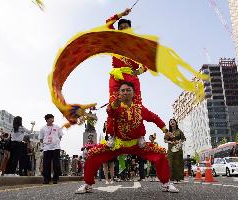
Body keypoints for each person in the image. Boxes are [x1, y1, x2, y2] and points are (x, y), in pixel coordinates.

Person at [75, 81, 178, 193]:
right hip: (117, 144)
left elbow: (154, 118)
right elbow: (110, 111)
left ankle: (166, 183)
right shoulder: (116, 106)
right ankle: (88, 184)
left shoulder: (140, 109)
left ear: (133, 93)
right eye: (122, 90)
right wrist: (116, 102)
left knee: (161, 153)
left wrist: (165, 131)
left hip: (137, 144)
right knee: (92, 154)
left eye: (128, 90)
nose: (125, 92)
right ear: (119, 93)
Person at [105, 8, 148, 136]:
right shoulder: (114, 40)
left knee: (137, 105)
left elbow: (147, 63)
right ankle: (112, 134)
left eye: (126, 27)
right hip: (116, 76)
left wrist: (138, 71)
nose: (124, 29)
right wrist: (121, 14)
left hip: (131, 76)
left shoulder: (137, 45)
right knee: (113, 104)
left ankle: (139, 134)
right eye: (121, 27)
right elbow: (108, 23)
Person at [39, 114, 63, 184]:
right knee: (46, 164)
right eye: (51, 118)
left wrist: (56, 142)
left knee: (56, 163)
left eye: (53, 118)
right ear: (47, 119)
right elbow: (41, 138)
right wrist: (46, 143)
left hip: (56, 147)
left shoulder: (57, 127)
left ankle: (55, 178)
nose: (52, 119)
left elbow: (60, 136)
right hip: (47, 148)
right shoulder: (43, 128)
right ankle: (46, 179)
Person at [164, 118, 186, 184]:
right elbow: (165, 140)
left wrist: (179, 141)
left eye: (173, 122)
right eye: (171, 122)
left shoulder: (179, 131)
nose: (172, 123)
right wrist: (170, 142)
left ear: (176, 123)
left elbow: (183, 139)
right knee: (170, 163)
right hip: (170, 149)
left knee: (178, 163)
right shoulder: (168, 132)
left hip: (178, 148)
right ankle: (171, 178)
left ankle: (178, 179)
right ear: (170, 124)